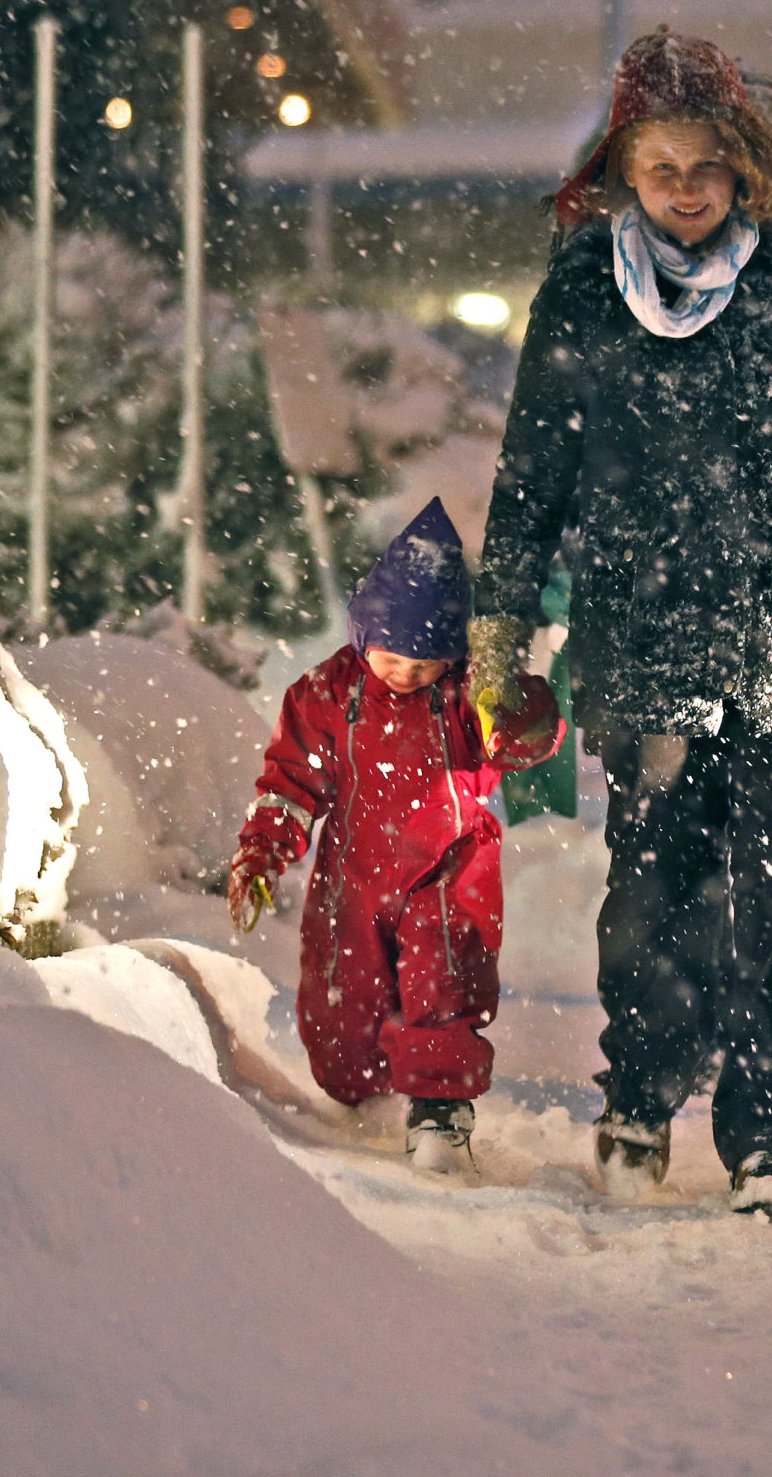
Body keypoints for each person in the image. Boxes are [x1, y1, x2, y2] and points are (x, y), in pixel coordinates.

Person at [469, 30, 772, 1222]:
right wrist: (502, 620)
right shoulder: (585, 279)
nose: (684, 191)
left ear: (749, 165)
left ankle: (771, 1143)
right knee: (654, 884)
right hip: (648, 620)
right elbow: (534, 466)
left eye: (706, 167)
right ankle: (641, 1092)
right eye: (660, 167)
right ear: (621, 168)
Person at [228, 499, 563, 1174]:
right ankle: (361, 1098)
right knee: (340, 1007)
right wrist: (265, 847)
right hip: (352, 875)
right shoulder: (327, 692)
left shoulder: (470, 694)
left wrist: (520, 719)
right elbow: (292, 781)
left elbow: (523, 737)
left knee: (442, 985)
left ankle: (439, 1111)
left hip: (447, 871)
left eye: (425, 662)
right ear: (363, 635)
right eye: (391, 656)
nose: (405, 673)